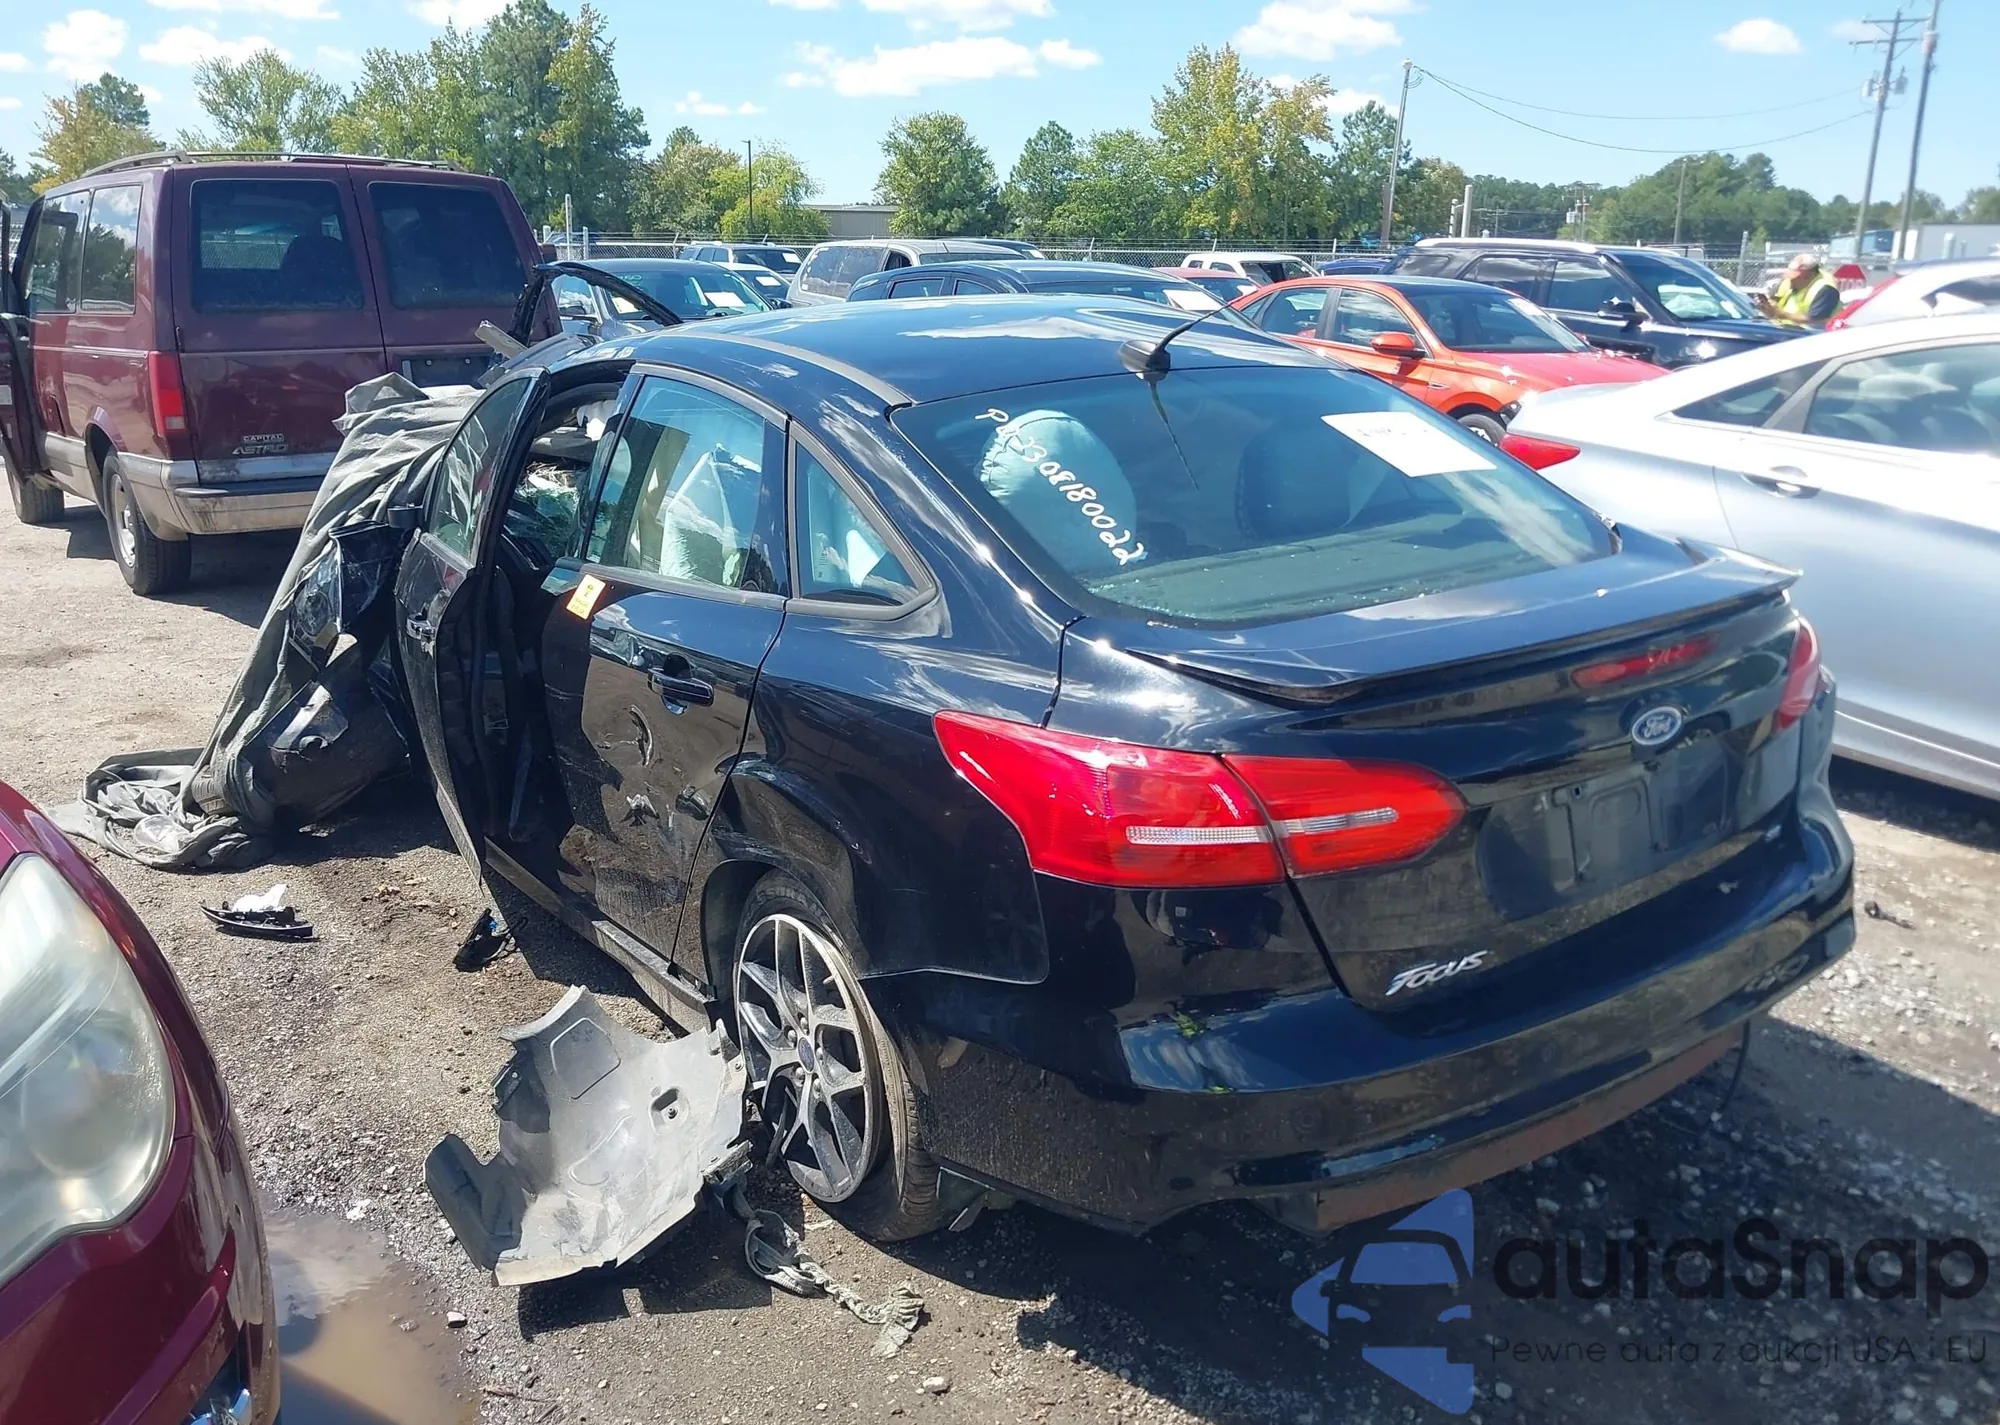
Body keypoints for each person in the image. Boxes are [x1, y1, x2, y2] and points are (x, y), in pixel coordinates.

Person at [1763, 253, 1843, 327]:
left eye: (1794, 277)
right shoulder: (1789, 283)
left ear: (1808, 276)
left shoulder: (1826, 289)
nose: (1790, 280)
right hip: (1784, 329)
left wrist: (1782, 314)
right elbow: (1777, 304)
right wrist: (1768, 308)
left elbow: (1815, 320)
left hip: (1811, 335)